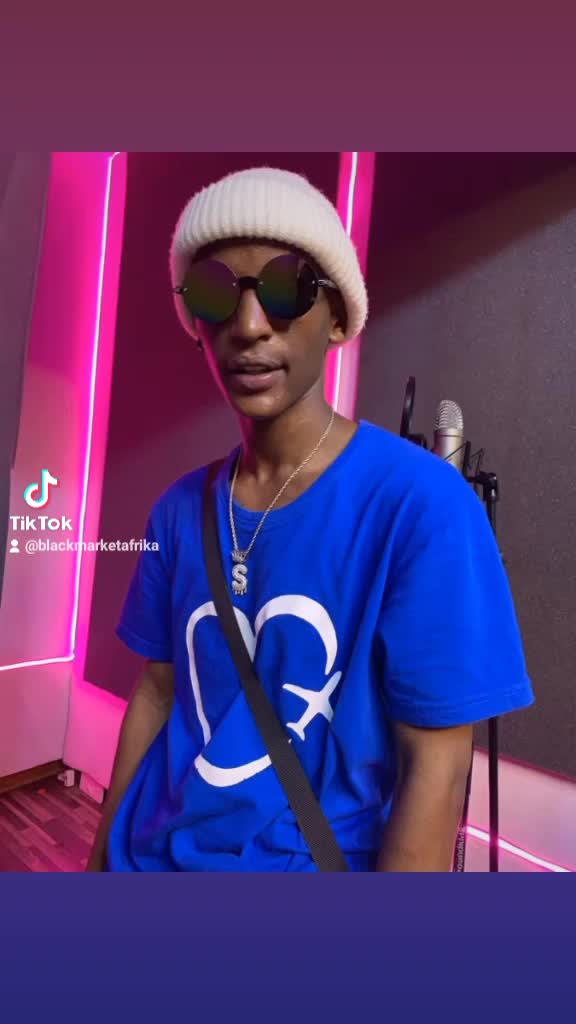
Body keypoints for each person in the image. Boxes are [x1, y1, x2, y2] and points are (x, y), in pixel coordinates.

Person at [87, 166, 534, 872]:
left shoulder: (423, 507)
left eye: (286, 288)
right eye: (215, 294)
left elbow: (438, 769)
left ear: (338, 317)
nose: (248, 326)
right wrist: (99, 858)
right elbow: (157, 690)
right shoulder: (177, 509)